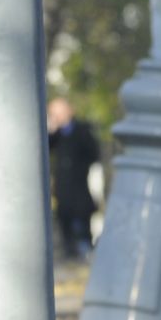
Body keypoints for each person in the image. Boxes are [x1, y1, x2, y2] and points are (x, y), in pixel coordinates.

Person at [46, 97, 102, 260]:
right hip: (63, 190)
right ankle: (70, 252)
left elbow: (93, 153)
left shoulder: (82, 130)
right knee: (65, 226)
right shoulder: (56, 134)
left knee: (82, 225)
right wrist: (52, 128)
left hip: (80, 187)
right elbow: (47, 147)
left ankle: (84, 251)